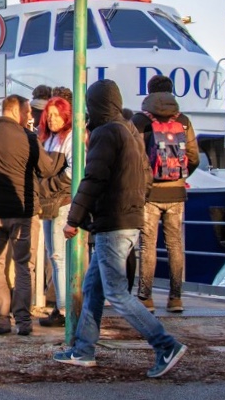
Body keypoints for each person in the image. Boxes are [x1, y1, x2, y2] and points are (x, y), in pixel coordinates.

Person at [53, 79, 187, 379]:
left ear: (95, 105)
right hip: (129, 218)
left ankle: (166, 345)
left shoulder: (105, 133)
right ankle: (83, 349)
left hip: (113, 222)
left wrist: (74, 218)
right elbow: (146, 175)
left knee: (116, 292)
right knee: (93, 288)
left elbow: (94, 179)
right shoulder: (129, 130)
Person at [0, 94, 56, 336]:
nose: (29, 117)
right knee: (24, 266)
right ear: (16, 111)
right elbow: (47, 169)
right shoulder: (28, 137)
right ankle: (23, 321)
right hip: (23, 211)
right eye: (27, 112)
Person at [132, 74, 200, 313]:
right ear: (171, 92)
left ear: (149, 92)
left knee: (147, 245)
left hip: (150, 193)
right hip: (177, 192)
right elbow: (193, 157)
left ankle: (146, 298)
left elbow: (134, 157)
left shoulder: (140, 120)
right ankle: (175, 299)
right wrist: (179, 176)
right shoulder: (183, 120)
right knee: (175, 245)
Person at [37, 96, 73, 328]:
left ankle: (63, 309)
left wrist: (49, 185)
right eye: (49, 115)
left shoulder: (69, 139)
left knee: (59, 257)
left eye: (56, 115)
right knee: (54, 255)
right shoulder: (48, 139)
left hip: (62, 202)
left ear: (65, 115)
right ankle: (61, 306)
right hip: (50, 202)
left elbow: (74, 169)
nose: (52, 119)